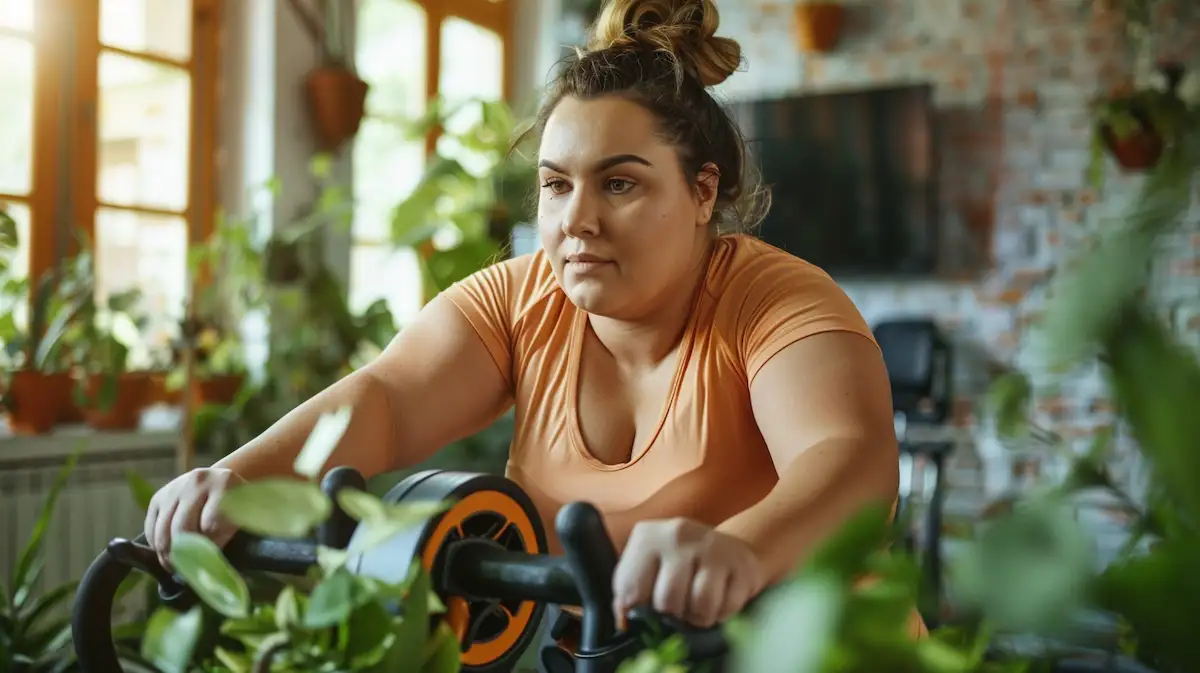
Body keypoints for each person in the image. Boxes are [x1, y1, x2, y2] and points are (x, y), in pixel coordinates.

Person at [145, 0, 912, 647]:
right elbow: (383, 399)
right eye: (555, 185)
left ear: (703, 190)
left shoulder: (778, 301)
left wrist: (737, 549)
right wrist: (238, 477)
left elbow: (851, 461)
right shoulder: (522, 299)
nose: (577, 220)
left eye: (619, 183)